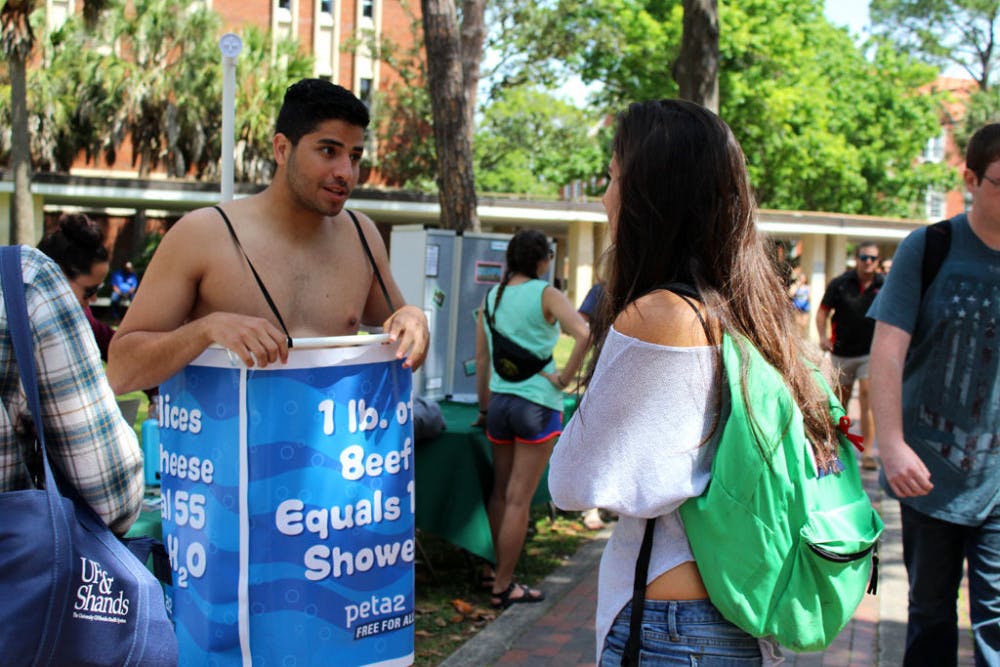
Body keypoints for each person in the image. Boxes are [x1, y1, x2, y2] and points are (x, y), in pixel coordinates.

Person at [549, 99, 838, 666]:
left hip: (671, 626)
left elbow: (573, 481)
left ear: (651, 196)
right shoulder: (750, 310)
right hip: (733, 615)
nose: (605, 196)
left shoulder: (661, 315)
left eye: (612, 177)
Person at [106, 79, 428, 394]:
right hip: (223, 444)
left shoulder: (362, 237)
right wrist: (206, 330)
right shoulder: (203, 235)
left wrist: (413, 319)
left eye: (355, 157)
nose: (345, 172)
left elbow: (398, 330)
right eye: (328, 151)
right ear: (282, 149)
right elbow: (121, 373)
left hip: (330, 445)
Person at [867, 122, 1000, 667]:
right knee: (930, 615)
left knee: (996, 618)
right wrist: (892, 444)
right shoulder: (931, 247)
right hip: (927, 470)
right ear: (969, 178)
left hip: (998, 480)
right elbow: (887, 352)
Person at [474, 229, 589, 608]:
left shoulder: (493, 297)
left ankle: (495, 569)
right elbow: (584, 334)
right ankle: (503, 585)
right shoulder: (546, 294)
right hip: (536, 405)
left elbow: (483, 361)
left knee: (500, 492)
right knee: (519, 500)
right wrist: (566, 378)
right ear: (543, 261)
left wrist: (483, 408)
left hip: (501, 406)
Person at [1, 245, 144, 535]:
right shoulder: (29, 283)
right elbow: (114, 499)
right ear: (64, 277)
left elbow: (108, 342)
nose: (92, 301)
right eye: (88, 290)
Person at [816, 242, 884, 470]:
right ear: (856, 259)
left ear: (878, 261)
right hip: (842, 352)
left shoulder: (884, 285)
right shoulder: (840, 284)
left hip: (869, 352)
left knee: (867, 398)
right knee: (839, 404)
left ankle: (866, 454)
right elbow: (822, 312)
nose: (868, 262)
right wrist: (822, 337)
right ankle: (837, 449)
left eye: (872, 258)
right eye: (864, 257)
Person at [36, 213, 115, 358]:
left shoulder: (80, 313)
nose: (94, 299)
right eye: (90, 290)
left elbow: (112, 344)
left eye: (98, 288)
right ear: (58, 275)